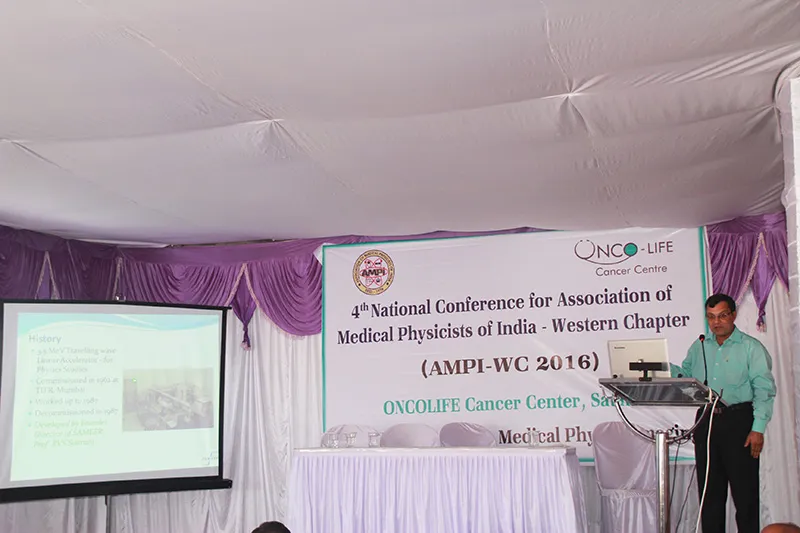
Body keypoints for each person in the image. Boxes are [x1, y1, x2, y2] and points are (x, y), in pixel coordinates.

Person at [673, 293, 776, 533]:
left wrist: (758, 429)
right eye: (711, 317)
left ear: (733, 315)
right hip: (706, 422)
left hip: (739, 422)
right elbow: (686, 376)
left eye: (722, 316)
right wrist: (659, 366)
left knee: (745, 497)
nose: (716, 322)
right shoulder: (699, 346)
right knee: (709, 496)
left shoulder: (751, 347)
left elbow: (764, 391)